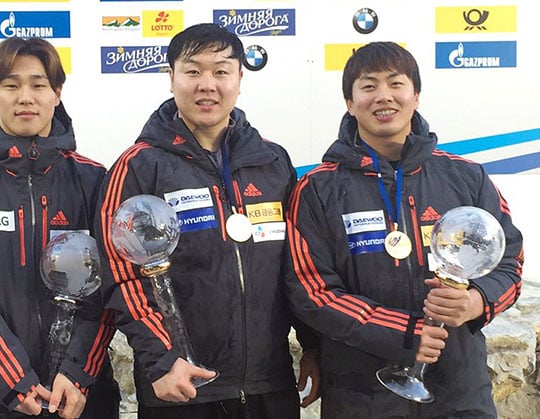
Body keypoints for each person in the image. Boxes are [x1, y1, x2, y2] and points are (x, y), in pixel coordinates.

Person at [283, 41, 524, 418]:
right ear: (349, 102)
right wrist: (404, 332)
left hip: (459, 393)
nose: (384, 96)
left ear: (416, 96)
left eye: (396, 84)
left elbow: (509, 263)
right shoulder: (316, 188)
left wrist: (476, 302)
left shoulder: (466, 177)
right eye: (368, 86)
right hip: (361, 395)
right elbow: (311, 292)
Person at [94, 23, 320, 419]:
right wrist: (163, 360)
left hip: (270, 385)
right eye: (193, 71)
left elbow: (299, 268)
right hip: (181, 387)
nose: (207, 84)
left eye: (220, 71)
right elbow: (120, 273)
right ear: (171, 78)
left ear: (239, 78)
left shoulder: (272, 162)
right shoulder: (139, 166)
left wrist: (314, 347)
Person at [0, 37, 119, 419]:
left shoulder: (94, 180)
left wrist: (78, 373)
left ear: (57, 93)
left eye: (38, 84)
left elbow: (109, 285)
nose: (25, 97)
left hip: (81, 396)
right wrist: (14, 380)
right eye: (11, 85)